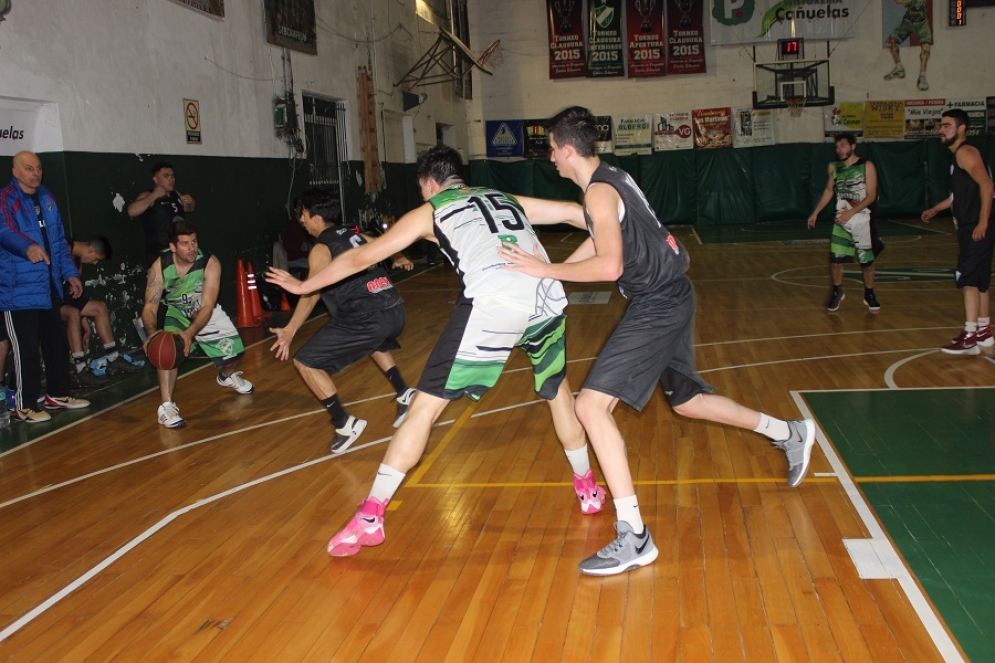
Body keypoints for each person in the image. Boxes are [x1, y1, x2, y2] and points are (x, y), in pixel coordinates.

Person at [498, 107, 816, 576]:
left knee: (589, 407)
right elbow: (605, 240)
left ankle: (634, 535)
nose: (551, 159)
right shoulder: (611, 179)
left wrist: (546, 270)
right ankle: (789, 433)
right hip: (672, 295)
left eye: (551, 150)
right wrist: (558, 277)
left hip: (659, 304)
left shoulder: (599, 193)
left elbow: (609, 267)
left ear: (567, 149)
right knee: (688, 402)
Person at [267, 145, 605, 557]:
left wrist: (304, 286)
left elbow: (363, 256)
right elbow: (576, 212)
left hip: (494, 301)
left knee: (424, 409)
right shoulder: (504, 197)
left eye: (421, 188)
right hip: (545, 296)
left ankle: (371, 515)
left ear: (429, 183)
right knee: (558, 392)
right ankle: (586, 487)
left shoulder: (430, 211)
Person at [269, 188, 416, 452]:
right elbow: (387, 243)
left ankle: (344, 423)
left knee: (305, 362)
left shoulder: (321, 248)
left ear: (314, 216)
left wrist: (290, 330)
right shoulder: (354, 234)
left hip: (367, 316)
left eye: (302, 215)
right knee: (373, 342)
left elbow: (312, 291)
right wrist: (398, 256)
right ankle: (405, 393)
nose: (301, 221)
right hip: (394, 309)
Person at [0, 151, 91, 423]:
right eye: (28, 168)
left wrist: (70, 274)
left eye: (38, 168)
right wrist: (27, 247)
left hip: (48, 287)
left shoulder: (48, 199)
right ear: (15, 172)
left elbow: (60, 241)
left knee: (56, 342)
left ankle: (58, 394)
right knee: (25, 350)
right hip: (18, 291)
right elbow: (3, 231)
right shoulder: (6, 199)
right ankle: (23, 406)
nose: (35, 172)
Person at [141, 219, 254, 428]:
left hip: (203, 313)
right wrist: (152, 333)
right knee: (167, 351)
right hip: (177, 313)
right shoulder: (160, 266)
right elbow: (149, 306)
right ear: (172, 247)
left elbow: (208, 306)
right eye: (185, 243)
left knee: (236, 354)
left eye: (194, 242)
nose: (192, 248)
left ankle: (226, 376)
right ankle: (166, 407)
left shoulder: (210, 263)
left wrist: (190, 332)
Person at [921, 108, 995, 355]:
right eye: (941, 126)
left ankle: (970, 335)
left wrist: (982, 221)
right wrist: (935, 208)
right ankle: (984, 331)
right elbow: (959, 195)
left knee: (968, 280)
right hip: (975, 224)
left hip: (976, 225)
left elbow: (987, 184)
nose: (941, 130)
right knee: (980, 280)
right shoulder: (960, 156)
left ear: (961, 129)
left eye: (947, 126)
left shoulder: (965, 152)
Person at [807, 133, 881, 312]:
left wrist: (852, 212)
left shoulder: (866, 166)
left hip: (862, 219)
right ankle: (837, 290)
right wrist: (815, 212)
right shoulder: (834, 167)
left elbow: (871, 196)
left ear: (853, 146)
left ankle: (869, 293)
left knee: (867, 262)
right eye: (837, 146)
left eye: (843, 146)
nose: (839, 149)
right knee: (835, 261)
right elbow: (828, 190)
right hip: (841, 221)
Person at [61, 235, 145, 382]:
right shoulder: (63, 247)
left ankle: (113, 359)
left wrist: (86, 327)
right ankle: (80, 370)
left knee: (100, 308)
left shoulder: (77, 261)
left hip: (64, 300)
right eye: (96, 259)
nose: (94, 263)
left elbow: (74, 297)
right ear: (91, 250)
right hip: (49, 300)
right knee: (73, 313)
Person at [127, 162, 196, 267]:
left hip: (179, 250)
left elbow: (188, 209)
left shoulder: (175, 194)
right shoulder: (148, 195)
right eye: (166, 176)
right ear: (156, 179)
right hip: (159, 253)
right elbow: (131, 211)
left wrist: (191, 202)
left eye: (172, 176)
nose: (171, 179)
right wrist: (155, 195)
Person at [883, 0, 932, 92]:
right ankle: (899, 69)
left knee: (926, 48)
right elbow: (899, 1)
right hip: (908, 21)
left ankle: (922, 76)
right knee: (890, 42)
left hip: (922, 22)